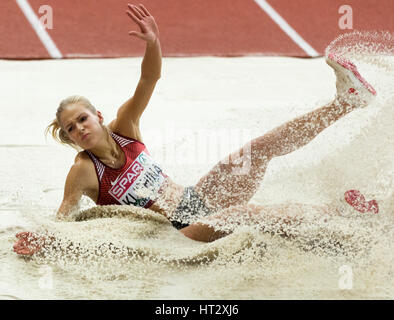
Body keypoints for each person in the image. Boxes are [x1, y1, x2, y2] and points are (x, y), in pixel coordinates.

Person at [13, 4, 376, 256]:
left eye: (83, 119)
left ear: (98, 116)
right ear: (70, 138)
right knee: (248, 215)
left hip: (196, 198)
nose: (79, 128)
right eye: (71, 128)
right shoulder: (83, 171)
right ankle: (337, 215)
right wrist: (41, 240)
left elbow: (150, 78)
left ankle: (348, 101)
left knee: (256, 150)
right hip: (181, 230)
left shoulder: (124, 127)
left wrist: (153, 43)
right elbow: (66, 214)